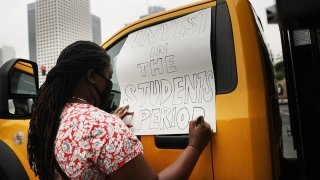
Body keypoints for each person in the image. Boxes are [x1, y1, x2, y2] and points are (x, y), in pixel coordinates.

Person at [27, 41, 212, 179]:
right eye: (108, 77)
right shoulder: (102, 126)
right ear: (92, 76)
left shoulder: (50, 119)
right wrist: (194, 147)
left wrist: (107, 125)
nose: (109, 84)